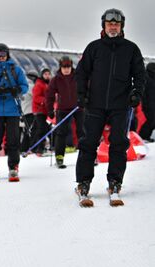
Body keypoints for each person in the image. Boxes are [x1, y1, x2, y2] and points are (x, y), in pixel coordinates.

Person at [75, 8, 145, 199]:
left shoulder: (131, 49)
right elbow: (81, 73)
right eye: (109, 24)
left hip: (120, 104)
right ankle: (83, 182)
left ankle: (115, 182)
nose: (112, 27)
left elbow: (140, 75)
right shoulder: (94, 48)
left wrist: (136, 92)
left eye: (116, 24)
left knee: (118, 144)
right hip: (95, 104)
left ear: (121, 26)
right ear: (103, 26)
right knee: (88, 143)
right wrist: (81, 94)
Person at [0, 43, 29, 182]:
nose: (1, 57)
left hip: (12, 110)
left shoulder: (16, 70)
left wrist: (17, 90)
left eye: (3, 55)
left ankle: (13, 167)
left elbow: (25, 86)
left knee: (13, 140)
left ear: (7, 55)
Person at [46, 56, 85, 168]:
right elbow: (49, 95)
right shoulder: (56, 79)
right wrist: (50, 110)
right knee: (61, 133)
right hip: (63, 109)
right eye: (64, 67)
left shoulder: (78, 76)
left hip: (78, 108)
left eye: (68, 67)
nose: (66, 69)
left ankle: (87, 156)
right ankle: (59, 157)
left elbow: (87, 88)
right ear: (60, 67)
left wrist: (85, 100)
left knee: (82, 132)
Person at [31, 68, 52, 156]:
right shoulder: (39, 84)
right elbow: (36, 97)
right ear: (42, 75)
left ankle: (40, 147)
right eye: (45, 74)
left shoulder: (48, 84)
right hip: (39, 110)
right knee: (41, 129)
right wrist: (46, 100)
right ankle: (39, 149)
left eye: (48, 74)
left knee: (46, 129)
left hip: (45, 110)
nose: (47, 76)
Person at [139, 62, 155, 142]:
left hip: (149, 103)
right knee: (148, 121)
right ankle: (143, 137)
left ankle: (145, 137)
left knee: (151, 121)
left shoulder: (149, 77)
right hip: (147, 105)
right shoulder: (147, 78)